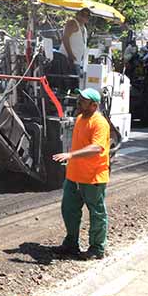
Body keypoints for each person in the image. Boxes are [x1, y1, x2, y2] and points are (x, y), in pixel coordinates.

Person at [51, 87, 111, 260]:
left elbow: (96, 148)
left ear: (94, 105)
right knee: (69, 210)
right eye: (79, 99)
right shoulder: (79, 118)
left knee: (96, 213)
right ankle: (71, 244)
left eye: (83, 101)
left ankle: (97, 249)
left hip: (93, 177)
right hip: (74, 176)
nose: (78, 102)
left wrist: (70, 155)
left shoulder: (99, 123)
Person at [57, 7, 91, 76]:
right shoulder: (72, 23)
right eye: (83, 14)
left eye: (88, 15)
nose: (85, 17)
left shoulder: (83, 27)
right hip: (67, 60)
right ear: (78, 14)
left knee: (75, 81)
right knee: (68, 81)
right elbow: (65, 38)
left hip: (76, 61)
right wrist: (70, 54)